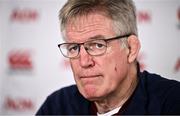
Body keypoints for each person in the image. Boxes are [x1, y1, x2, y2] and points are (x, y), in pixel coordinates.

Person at [36, 0, 180, 115]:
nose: (84, 62)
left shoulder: (172, 102)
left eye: (98, 45)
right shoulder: (57, 106)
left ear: (131, 49)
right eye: (74, 48)